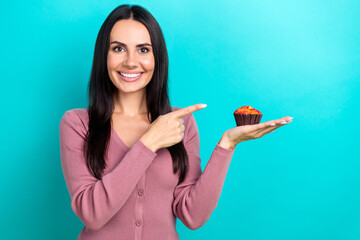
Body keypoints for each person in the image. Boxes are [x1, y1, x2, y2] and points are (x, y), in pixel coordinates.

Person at [59, 4, 292, 240]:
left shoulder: (181, 122)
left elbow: (193, 216)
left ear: (157, 57)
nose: (130, 62)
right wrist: (149, 142)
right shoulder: (77, 124)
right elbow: (92, 214)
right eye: (118, 48)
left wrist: (227, 145)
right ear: (103, 55)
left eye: (143, 50)